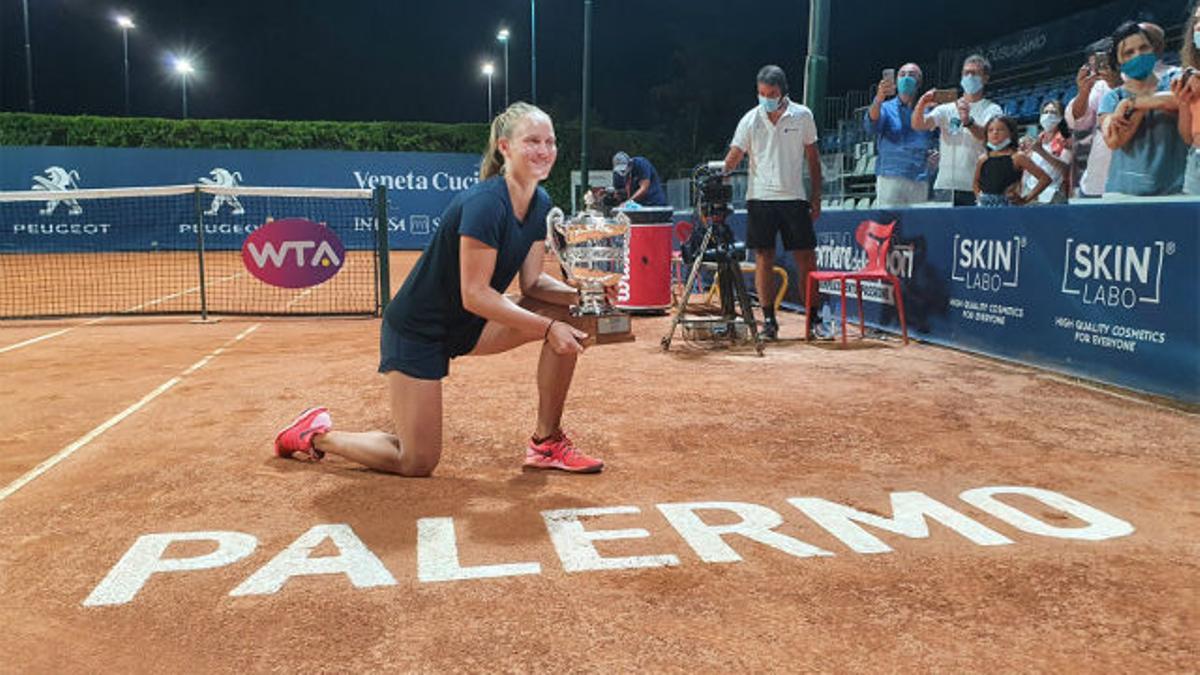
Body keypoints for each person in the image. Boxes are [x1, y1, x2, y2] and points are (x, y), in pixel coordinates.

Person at [273, 102, 606, 476]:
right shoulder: (486, 203)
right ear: (504, 147)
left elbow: (532, 283)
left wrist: (587, 295)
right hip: (418, 329)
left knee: (573, 315)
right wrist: (547, 329)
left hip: (470, 326)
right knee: (416, 461)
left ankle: (546, 443)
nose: (544, 151)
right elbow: (475, 293)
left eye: (550, 142)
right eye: (532, 141)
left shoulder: (540, 202)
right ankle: (317, 435)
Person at [723, 64, 824, 340]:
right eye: (761, 92)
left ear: (783, 92)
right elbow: (735, 155)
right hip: (759, 199)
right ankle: (769, 321)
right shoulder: (750, 119)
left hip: (794, 198)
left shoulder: (803, 116)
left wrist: (816, 196)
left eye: (771, 92)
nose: (766, 97)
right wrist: (721, 171)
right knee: (763, 258)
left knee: (806, 259)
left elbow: (813, 160)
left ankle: (814, 320)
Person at [1099, 21, 1186, 196]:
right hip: (1122, 195)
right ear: (1118, 61)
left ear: (1153, 49)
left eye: (1143, 48)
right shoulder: (1112, 98)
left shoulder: (1173, 79)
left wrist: (1134, 104)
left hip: (1172, 193)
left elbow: (1182, 100)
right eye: (1128, 53)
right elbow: (1114, 140)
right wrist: (1143, 103)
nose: (1138, 55)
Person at [913, 55, 1004, 206]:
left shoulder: (993, 109)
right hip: (944, 185)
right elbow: (918, 124)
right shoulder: (946, 108)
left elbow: (989, 137)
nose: (969, 77)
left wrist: (968, 121)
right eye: (966, 73)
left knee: (972, 230)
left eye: (975, 73)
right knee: (942, 229)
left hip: (975, 186)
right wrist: (922, 102)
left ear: (985, 78)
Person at [863, 63, 937, 207]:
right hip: (890, 177)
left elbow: (935, 139)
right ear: (896, 81)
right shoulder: (884, 107)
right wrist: (878, 98)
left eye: (911, 75)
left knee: (916, 227)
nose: (906, 78)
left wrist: (934, 153)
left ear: (919, 82)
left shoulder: (927, 111)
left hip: (919, 178)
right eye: (902, 75)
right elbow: (871, 125)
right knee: (888, 227)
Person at [1066, 38, 1124, 198]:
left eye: (1104, 63)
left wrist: (1116, 85)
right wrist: (1083, 90)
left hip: (1126, 180)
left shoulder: (1134, 80)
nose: (1098, 71)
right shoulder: (1097, 86)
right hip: (1095, 180)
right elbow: (1076, 121)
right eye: (1094, 66)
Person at [974, 116, 1052, 207]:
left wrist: (1026, 199)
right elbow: (976, 182)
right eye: (990, 130)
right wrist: (979, 198)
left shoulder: (1018, 157)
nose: (995, 133)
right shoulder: (983, 159)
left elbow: (1045, 179)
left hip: (1008, 207)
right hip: (985, 207)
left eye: (1000, 130)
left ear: (1011, 133)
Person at [1020, 100, 1073, 204]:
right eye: (1045, 112)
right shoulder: (1036, 140)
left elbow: (1065, 169)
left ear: (1061, 117)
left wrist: (1041, 151)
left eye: (1053, 112)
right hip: (1031, 191)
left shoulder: (1066, 140)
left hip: (1053, 194)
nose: (1048, 116)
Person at [1172, 0, 1200, 195]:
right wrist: (1183, 101)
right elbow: (1188, 137)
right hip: (1196, 162)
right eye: (1197, 20)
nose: (1198, 27)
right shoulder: (1191, 76)